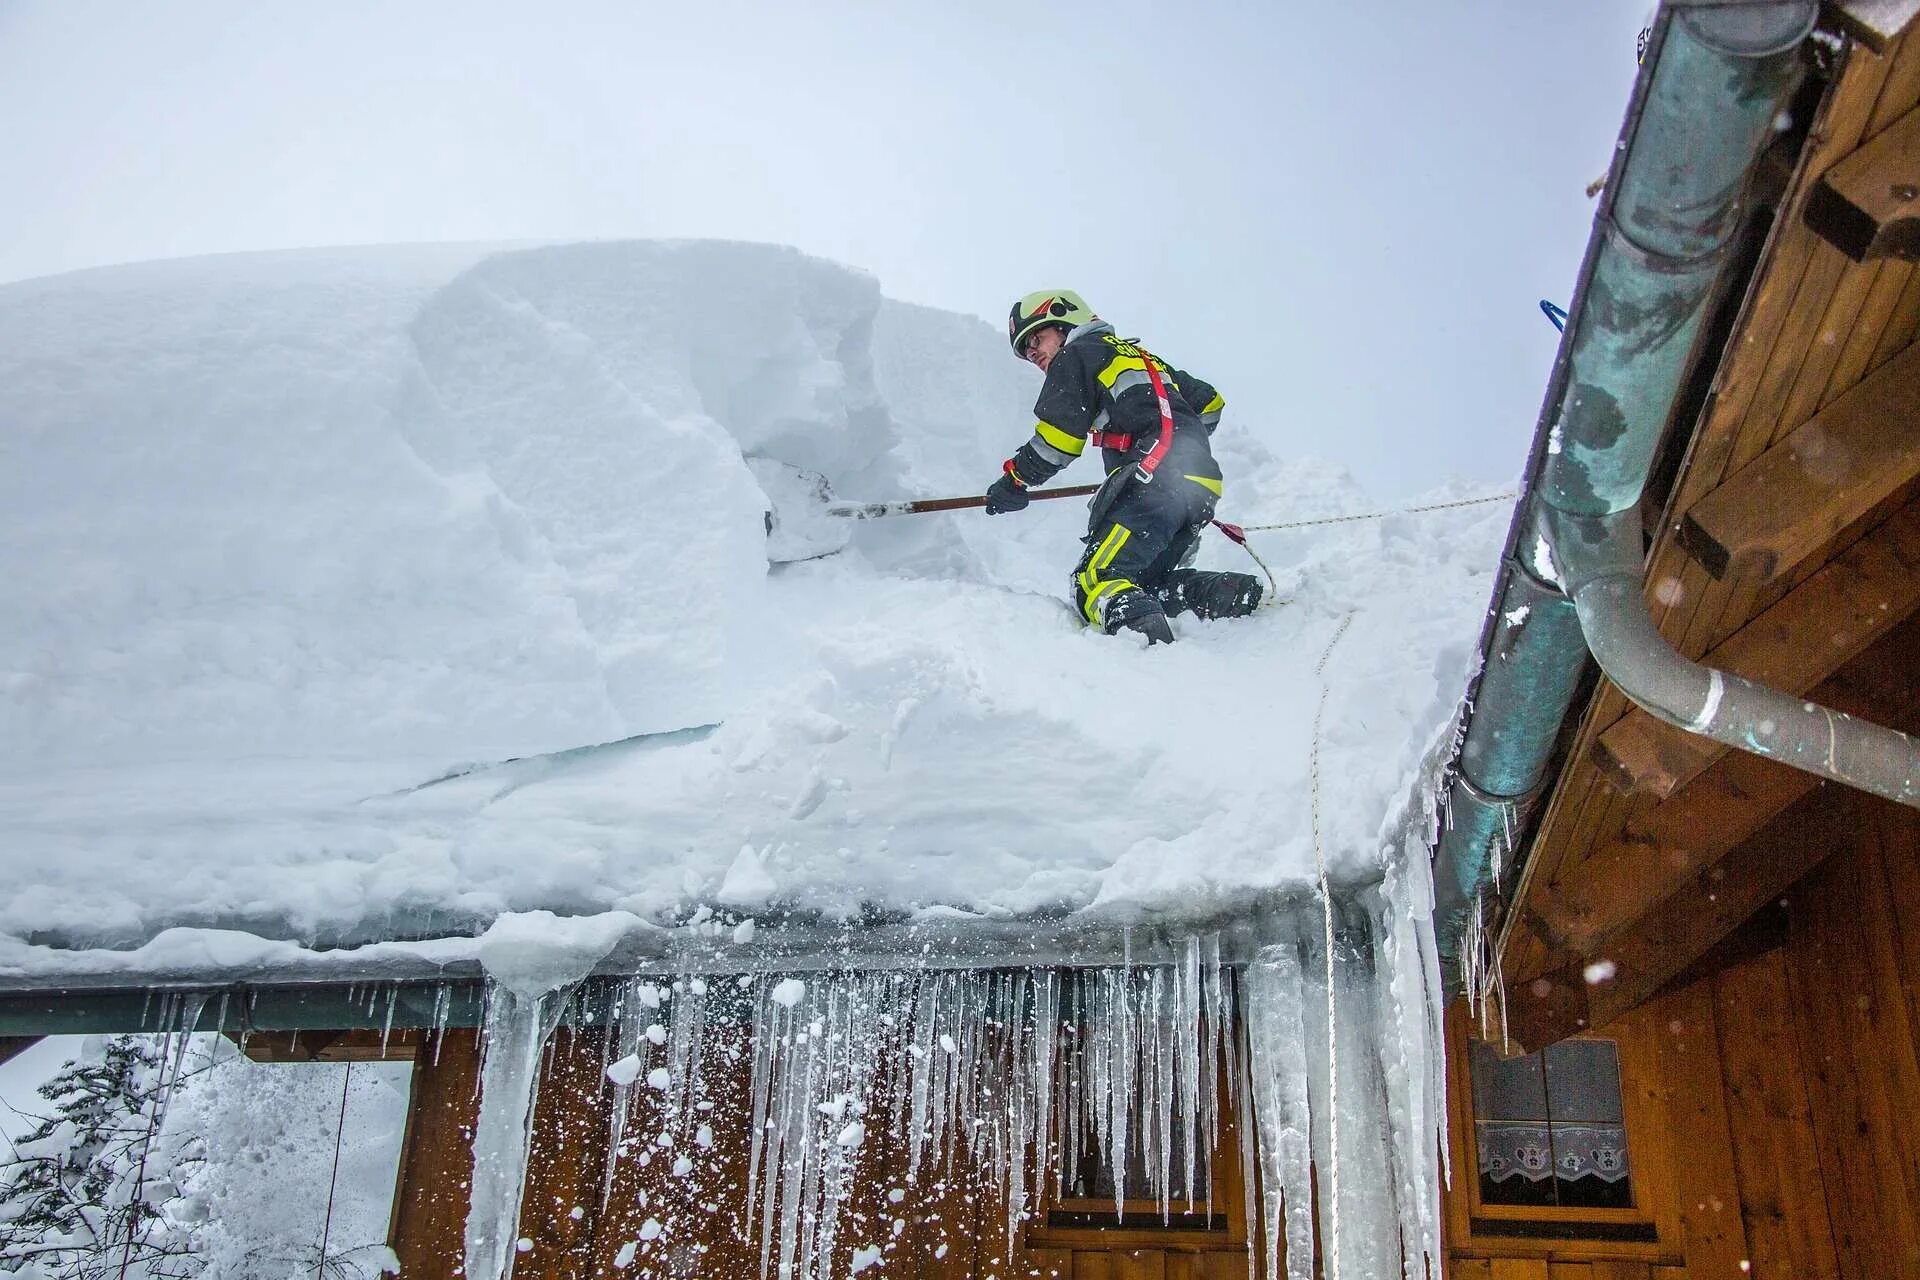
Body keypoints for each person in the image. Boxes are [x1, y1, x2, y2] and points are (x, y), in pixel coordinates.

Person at [986, 290, 1262, 644]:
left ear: (1065, 320)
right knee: (1140, 583)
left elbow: (1059, 440)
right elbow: (1211, 403)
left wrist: (1014, 482)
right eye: (1026, 351)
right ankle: (1230, 595)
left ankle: (1151, 652)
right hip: (1199, 485)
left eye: (1037, 338)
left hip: (1154, 485)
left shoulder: (1076, 355)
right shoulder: (1143, 358)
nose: (1033, 353)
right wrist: (1178, 443)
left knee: (1096, 581)